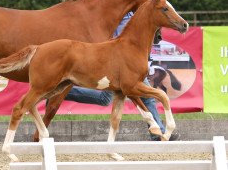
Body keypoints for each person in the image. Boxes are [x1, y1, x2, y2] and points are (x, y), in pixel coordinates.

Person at [65, 12, 180, 141]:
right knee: (143, 97)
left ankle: (65, 92)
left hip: (128, 66)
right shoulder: (123, 16)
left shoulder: (134, 14)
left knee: (106, 99)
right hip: (121, 65)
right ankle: (158, 133)